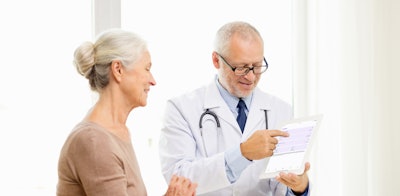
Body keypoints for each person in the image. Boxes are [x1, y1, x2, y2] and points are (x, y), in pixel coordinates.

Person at [158, 21, 310, 195]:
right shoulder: (181, 108)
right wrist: (242, 153)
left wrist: (299, 188)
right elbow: (178, 178)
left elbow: (281, 186)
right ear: (216, 60)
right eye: (241, 68)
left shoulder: (281, 110)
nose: (251, 77)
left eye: (258, 66)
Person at [57, 29, 197, 196]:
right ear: (118, 69)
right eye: (147, 68)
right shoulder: (94, 141)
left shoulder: (116, 132)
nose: (153, 81)